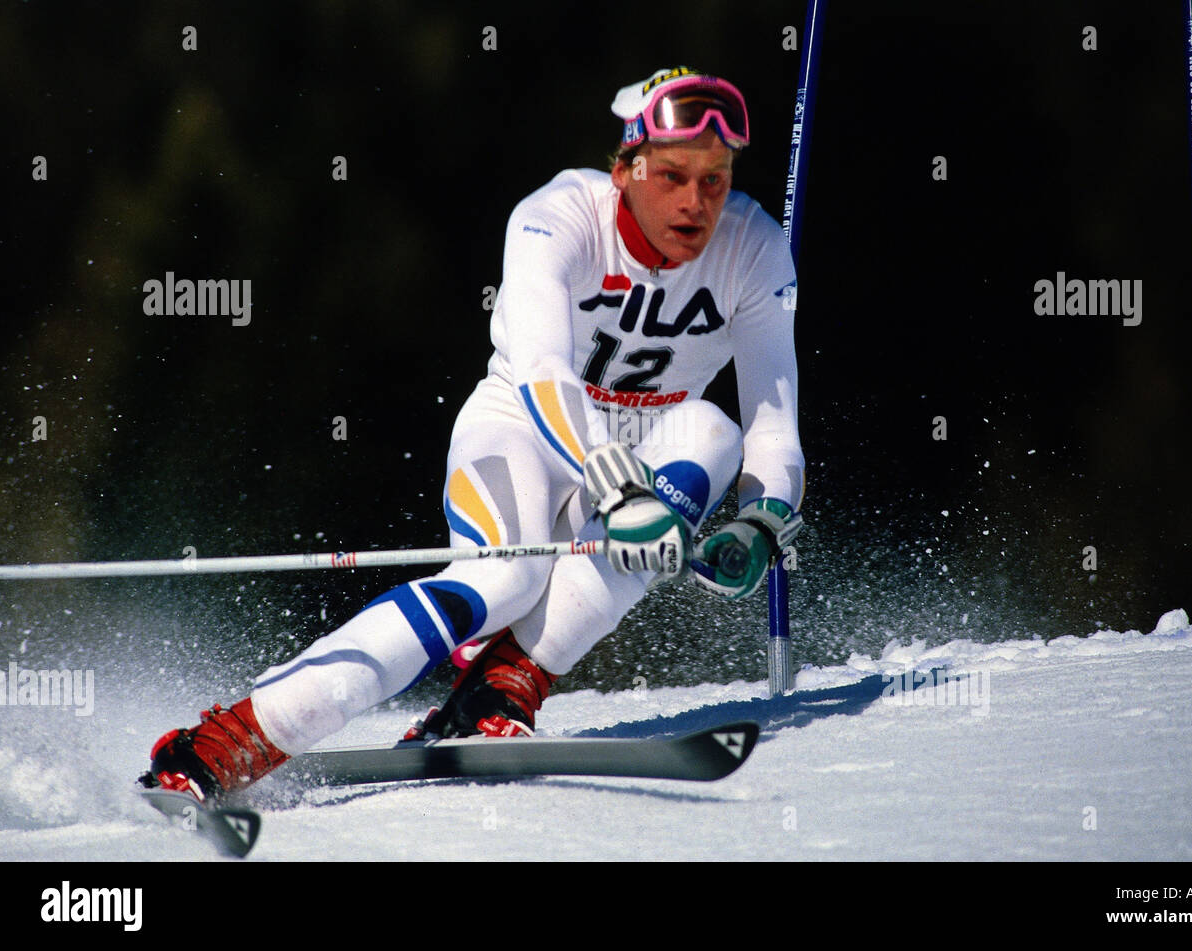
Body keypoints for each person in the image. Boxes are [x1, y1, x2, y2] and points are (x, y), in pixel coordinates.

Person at [141, 66, 805, 803]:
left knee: (710, 431)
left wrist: (760, 523)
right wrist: (617, 486)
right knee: (502, 579)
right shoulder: (557, 215)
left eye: (715, 180)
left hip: (647, 446)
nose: (696, 202)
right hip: (526, 428)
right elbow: (545, 371)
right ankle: (223, 741)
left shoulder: (754, 246)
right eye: (673, 175)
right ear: (625, 169)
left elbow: (773, 424)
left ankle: (499, 690)